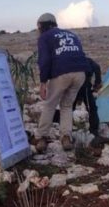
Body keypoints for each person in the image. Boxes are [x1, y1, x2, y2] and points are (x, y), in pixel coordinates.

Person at [35, 12, 88, 152]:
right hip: (80, 73)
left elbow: (44, 60)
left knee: (50, 105)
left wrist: (43, 82)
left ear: (42, 26)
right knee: (67, 106)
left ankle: (42, 138)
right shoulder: (71, 34)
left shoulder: (45, 37)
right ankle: (66, 138)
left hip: (61, 73)